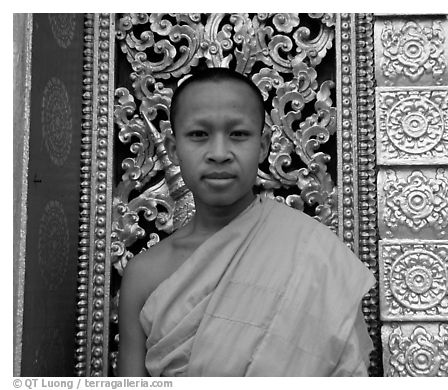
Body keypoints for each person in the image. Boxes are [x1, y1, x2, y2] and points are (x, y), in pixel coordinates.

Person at [118, 67, 375, 376]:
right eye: (199, 135)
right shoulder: (144, 275)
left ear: (264, 145)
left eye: (238, 134)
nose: (219, 153)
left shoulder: (314, 256)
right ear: (173, 149)